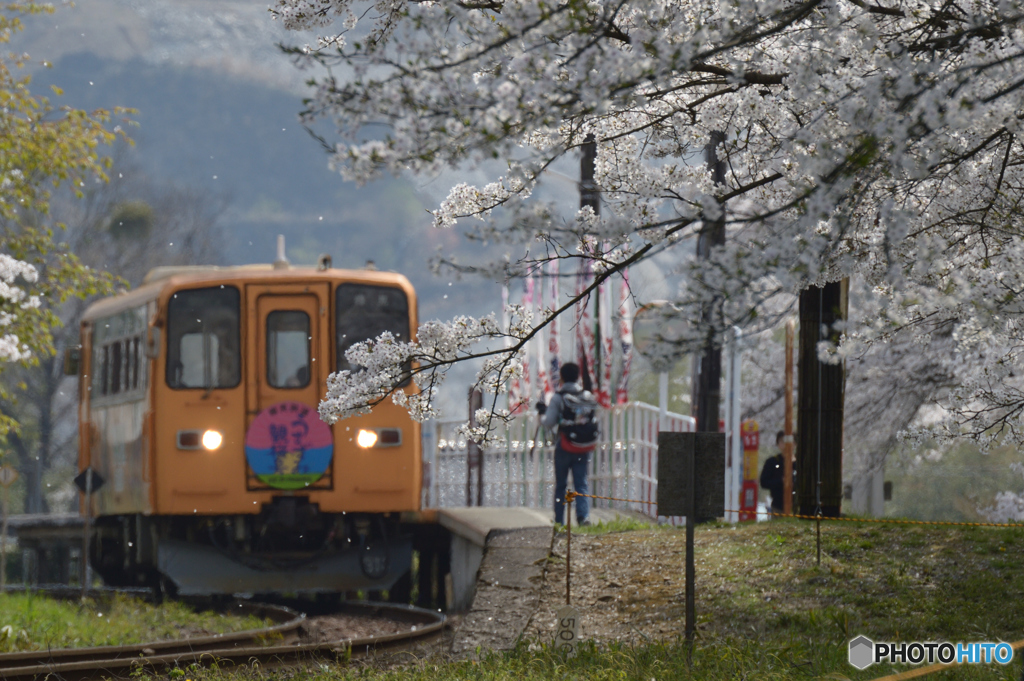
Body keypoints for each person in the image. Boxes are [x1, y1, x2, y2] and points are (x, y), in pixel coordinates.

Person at [536, 362, 598, 527]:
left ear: (561, 378)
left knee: (561, 485)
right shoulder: (587, 396)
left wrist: (542, 413)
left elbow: (548, 422)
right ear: (578, 377)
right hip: (583, 446)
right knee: (581, 482)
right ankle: (583, 517)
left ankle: (559, 521)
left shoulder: (558, 397)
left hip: (564, 446)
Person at [759, 430, 794, 517]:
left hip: (798, 506)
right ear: (778, 444)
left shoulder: (801, 462)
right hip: (778, 505)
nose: (786, 444)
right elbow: (764, 482)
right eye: (782, 441)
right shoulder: (772, 462)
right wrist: (780, 481)